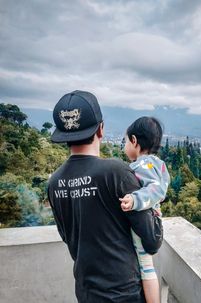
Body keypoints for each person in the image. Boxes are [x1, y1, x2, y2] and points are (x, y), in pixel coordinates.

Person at [47, 90, 163, 303]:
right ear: (101, 129)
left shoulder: (54, 182)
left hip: (86, 292)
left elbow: (69, 236)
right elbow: (152, 241)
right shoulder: (115, 172)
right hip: (124, 294)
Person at [120, 117, 170, 303]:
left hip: (144, 224)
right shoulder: (157, 163)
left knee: (146, 268)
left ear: (134, 141)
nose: (125, 146)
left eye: (125, 141)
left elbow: (157, 190)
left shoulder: (143, 164)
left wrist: (135, 200)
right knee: (147, 268)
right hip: (150, 222)